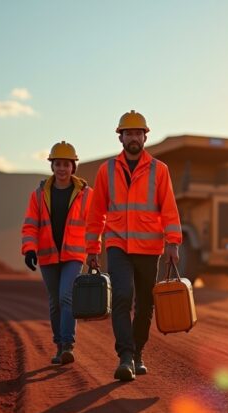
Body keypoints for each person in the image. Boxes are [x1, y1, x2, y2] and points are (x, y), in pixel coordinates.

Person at [85, 110, 182, 381]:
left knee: (145, 304)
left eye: (138, 133)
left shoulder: (159, 170)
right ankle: (125, 356)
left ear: (144, 137)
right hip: (117, 245)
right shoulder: (107, 170)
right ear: (121, 137)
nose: (133, 138)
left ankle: (138, 353)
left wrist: (173, 242)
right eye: (128, 133)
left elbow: (169, 209)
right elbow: (96, 214)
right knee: (122, 297)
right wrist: (92, 248)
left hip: (150, 247)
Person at [21, 141, 93, 365]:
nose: (62, 168)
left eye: (66, 164)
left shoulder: (85, 194)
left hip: (74, 255)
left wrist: (94, 251)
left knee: (66, 296)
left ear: (74, 167)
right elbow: (30, 224)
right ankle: (59, 346)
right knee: (54, 302)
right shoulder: (39, 194)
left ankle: (68, 345)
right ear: (52, 166)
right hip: (48, 254)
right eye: (58, 164)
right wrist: (29, 249)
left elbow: (94, 225)